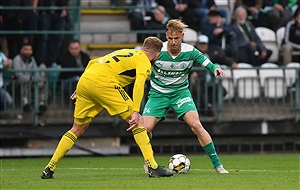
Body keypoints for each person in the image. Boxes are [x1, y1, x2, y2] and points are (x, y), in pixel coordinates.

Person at [40, 36, 173, 179]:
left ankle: (50, 168)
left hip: (85, 81)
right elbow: (139, 84)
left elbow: (92, 62)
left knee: (77, 128)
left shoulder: (126, 52)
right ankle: (152, 166)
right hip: (105, 84)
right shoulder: (144, 61)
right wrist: (135, 110)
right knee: (138, 121)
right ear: (157, 54)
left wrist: (82, 87)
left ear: (143, 47)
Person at [141, 19, 229, 174]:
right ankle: (149, 161)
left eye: (177, 38)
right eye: (170, 38)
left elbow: (206, 62)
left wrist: (215, 68)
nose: (173, 42)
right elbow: (139, 61)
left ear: (182, 36)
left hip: (180, 93)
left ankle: (218, 165)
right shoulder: (157, 52)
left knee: (196, 125)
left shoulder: (190, 51)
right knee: (145, 128)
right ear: (166, 36)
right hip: (158, 94)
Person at [12, 43, 47, 113]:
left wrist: (37, 77)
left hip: (31, 80)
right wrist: (31, 78)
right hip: (17, 81)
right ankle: (25, 103)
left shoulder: (32, 59)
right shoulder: (17, 59)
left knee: (41, 82)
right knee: (25, 81)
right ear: (21, 51)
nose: (28, 52)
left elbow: (35, 70)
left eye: (30, 50)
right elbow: (18, 74)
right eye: (26, 49)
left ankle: (41, 103)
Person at [35, 0, 69, 67]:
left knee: (58, 38)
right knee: (43, 38)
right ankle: (41, 62)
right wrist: (41, 10)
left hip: (59, 13)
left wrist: (65, 8)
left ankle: (52, 61)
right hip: (45, 12)